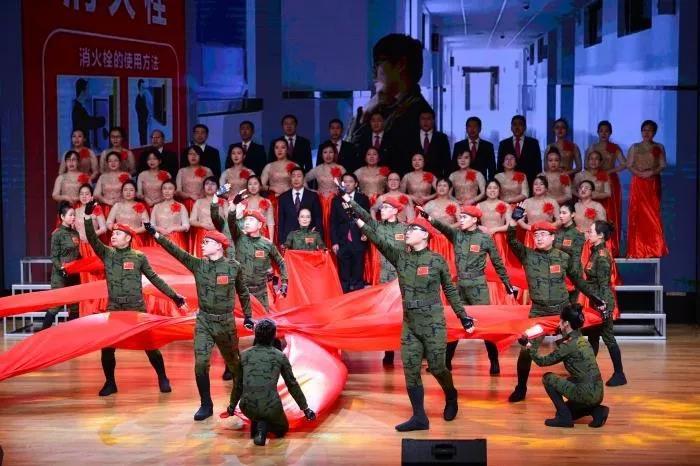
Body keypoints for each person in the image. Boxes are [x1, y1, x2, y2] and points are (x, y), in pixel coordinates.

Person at [350, 204, 475, 432]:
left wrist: (463, 316)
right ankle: (419, 417)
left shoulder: (437, 260)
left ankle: (451, 395)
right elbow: (379, 241)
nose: (407, 232)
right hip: (410, 323)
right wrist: (358, 221)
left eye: (413, 230)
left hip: (433, 322)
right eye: (407, 230)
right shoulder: (401, 258)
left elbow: (450, 290)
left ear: (425, 235)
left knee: (437, 367)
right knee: (410, 369)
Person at [146, 223, 253, 421]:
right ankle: (206, 404)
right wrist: (157, 235)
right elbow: (177, 252)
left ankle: (240, 400)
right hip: (204, 321)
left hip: (226, 322)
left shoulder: (233, 267)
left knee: (235, 365)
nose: (202, 245)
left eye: (207, 242)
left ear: (219, 245)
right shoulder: (198, 265)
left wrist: (248, 316)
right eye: (202, 242)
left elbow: (243, 292)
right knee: (201, 364)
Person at [83, 200, 186, 396]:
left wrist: (174, 296)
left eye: (118, 234)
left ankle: (163, 377)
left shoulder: (138, 257)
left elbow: (154, 278)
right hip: (114, 308)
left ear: (128, 238)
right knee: (107, 347)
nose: (113, 236)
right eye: (113, 233)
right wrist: (88, 217)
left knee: (150, 345)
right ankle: (110, 383)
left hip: (136, 308)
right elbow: (92, 238)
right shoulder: (107, 254)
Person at [506, 210, 605, 403]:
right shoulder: (527, 255)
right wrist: (513, 221)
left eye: (543, 234)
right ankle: (521, 387)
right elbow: (511, 240)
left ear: (553, 237)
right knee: (526, 349)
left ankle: (586, 382)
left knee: (579, 347)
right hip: (539, 313)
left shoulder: (563, 257)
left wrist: (595, 297)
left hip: (562, 313)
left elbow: (578, 281)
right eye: (536, 235)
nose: (539, 238)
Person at [419, 205, 514, 374]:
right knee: (455, 323)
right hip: (460, 286)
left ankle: (494, 361)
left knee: (486, 325)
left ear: (475, 219)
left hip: (478, 287)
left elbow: (498, 263)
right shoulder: (457, 235)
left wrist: (507, 284)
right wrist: (428, 217)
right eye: (460, 217)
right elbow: (442, 227)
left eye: (464, 217)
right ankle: (446, 363)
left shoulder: (484, 238)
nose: (460, 220)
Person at [351, 34, 433, 177]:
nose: (374, 72)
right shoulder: (385, 106)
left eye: (379, 63)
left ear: (400, 65)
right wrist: (365, 113)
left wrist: (365, 114)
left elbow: (356, 154)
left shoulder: (418, 113)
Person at [225, 318, 316, 446]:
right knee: (282, 430)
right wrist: (305, 409)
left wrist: (231, 407)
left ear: (256, 334)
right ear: (273, 336)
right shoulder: (280, 356)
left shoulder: (244, 355)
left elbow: (238, 385)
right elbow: (292, 384)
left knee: (256, 409)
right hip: (271, 406)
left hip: (247, 407)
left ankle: (257, 423)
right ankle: (263, 426)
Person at [519, 304, 609, 428]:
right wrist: (562, 332)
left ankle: (564, 418)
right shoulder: (583, 340)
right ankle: (597, 411)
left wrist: (528, 346)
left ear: (566, 323)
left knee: (548, 378)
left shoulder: (568, 346)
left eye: (560, 321)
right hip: (598, 391)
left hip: (586, 392)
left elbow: (542, 361)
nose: (558, 323)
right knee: (570, 403)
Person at [344, 195, 406, 365]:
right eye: (381, 208)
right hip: (385, 278)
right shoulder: (377, 227)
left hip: (403, 278)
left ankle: (416, 349)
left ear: (395, 211)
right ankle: (389, 351)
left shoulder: (405, 229)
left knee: (407, 315)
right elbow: (364, 214)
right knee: (387, 316)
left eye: (386, 208)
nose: (382, 210)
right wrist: (347, 198)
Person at [211, 195, 287, 313]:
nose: (247, 222)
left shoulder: (263, 241)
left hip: (259, 288)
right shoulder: (236, 232)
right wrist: (219, 200)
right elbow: (227, 221)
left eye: (250, 220)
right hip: (235, 277)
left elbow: (278, 260)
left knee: (263, 316)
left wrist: (284, 281)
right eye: (247, 220)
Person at [582, 221, 627, 386]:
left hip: (602, 302)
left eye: (591, 231)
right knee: (593, 337)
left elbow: (603, 285)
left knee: (608, 337)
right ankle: (587, 373)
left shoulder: (601, 256)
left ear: (600, 235)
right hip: (596, 301)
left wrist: (603, 307)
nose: (588, 233)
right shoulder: (595, 251)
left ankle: (619, 374)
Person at [626, 120, 668, 258]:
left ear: (654, 132)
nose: (646, 132)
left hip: (652, 182)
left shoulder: (659, 147)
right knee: (638, 214)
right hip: (638, 182)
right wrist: (640, 174)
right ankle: (637, 249)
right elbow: (629, 165)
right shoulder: (635, 147)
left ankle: (654, 248)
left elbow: (663, 164)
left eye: (649, 130)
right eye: (644, 130)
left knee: (652, 214)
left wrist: (651, 172)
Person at [586, 121, 626, 256]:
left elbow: (624, 164)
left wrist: (609, 171)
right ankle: (592, 244)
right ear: (597, 132)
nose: (603, 133)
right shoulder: (592, 147)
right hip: (594, 179)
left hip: (610, 180)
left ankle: (611, 246)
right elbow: (586, 165)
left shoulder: (614, 148)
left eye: (606, 131)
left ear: (610, 133)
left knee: (610, 212)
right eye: (601, 130)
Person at [42, 201, 81, 330]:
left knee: (75, 306)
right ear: (62, 217)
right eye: (70, 215)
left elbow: (77, 254)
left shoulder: (75, 233)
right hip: (60, 275)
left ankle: (71, 334)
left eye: (74, 215)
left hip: (74, 275)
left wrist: (85, 264)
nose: (73, 217)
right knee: (55, 306)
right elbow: (54, 257)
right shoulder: (57, 234)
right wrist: (62, 268)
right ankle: (42, 334)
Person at [330, 174, 370, 293]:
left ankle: (358, 296)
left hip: (359, 237)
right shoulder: (336, 200)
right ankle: (344, 295)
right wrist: (335, 242)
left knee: (358, 269)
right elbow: (333, 222)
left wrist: (366, 233)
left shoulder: (363, 199)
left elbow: (367, 218)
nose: (347, 184)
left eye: (350, 182)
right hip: (342, 239)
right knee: (344, 271)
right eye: (344, 182)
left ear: (356, 184)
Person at [277, 167, 323, 246]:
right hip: (289, 240)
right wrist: (282, 241)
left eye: (299, 176)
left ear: (304, 178)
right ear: (290, 178)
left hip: (308, 239)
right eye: (293, 176)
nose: (296, 179)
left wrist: (318, 240)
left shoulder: (313, 196)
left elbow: (318, 218)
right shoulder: (283, 197)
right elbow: (281, 220)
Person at [477, 179, 517, 269]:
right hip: (483, 238)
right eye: (489, 188)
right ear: (485, 190)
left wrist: (494, 230)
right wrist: (481, 228)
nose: (492, 190)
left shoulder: (506, 205)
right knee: (483, 266)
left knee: (499, 266)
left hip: (499, 239)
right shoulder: (479, 205)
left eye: (495, 188)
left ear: (499, 190)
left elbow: (510, 225)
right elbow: (473, 224)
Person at [497, 115, 542, 187]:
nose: (517, 127)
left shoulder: (533, 143)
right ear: (511, 128)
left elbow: (538, 166)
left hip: (530, 183)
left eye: (520, 124)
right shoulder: (503, 144)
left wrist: (537, 184)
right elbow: (499, 167)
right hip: (508, 185)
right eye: (514, 124)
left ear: (525, 127)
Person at [516, 175, 560, 248]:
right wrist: (530, 228)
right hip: (531, 235)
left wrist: (547, 228)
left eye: (541, 184)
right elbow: (519, 220)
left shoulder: (553, 202)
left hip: (547, 234)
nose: (538, 186)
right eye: (535, 184)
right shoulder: (526, 202)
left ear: (546, 188)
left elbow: (559, 220)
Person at [554, 201, 585, 304]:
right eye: (560, 213)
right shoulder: (557, 232)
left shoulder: (577, 234)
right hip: (557, 272)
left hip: (571, 273)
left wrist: (574, 278)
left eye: (564, 213)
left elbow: (576, 257)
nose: (560, 216)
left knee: (571, 304)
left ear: (572, 214)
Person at [105, 181, 150, 248]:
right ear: (122, 192)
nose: (128, 192)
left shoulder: (140, 206)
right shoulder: (117, 206)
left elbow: (146, 226)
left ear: (135, 192)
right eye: (125, 190)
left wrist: (133, 231)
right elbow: (108, 222)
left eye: (131, 190)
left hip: (135, 239)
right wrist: (114, 227)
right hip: (118, 239)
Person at [150, 180, 190, 250]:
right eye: (164, 188)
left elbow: (186, 226)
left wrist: (173, 228)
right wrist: (160, 229)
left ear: (174, 191)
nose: (167, 191)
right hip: (159, 238)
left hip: (176, 239)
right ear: (161, 191)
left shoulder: (181, 206)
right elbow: (151, 225)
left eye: (170, 188)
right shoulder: (156, 206)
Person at [189, 177, 223, 256]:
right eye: (207, 184)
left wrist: (218, 225)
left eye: (213, 184)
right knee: (202, 258)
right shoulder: (199, 202)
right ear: (203, 187)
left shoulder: (223, 202)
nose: (209, 186)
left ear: (217, 187)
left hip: (219, 233)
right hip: (202, 234)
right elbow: (191, 220)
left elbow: (228, 219)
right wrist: (203, 224)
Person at [176, 145, 213, 213]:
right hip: (186, 203)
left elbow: (213, 188)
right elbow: (178, 191)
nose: (193, 156)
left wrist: (202, 196)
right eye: (190, 154)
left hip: (204, 202)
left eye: (196, 154)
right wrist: (190, 196)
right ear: (187, 156)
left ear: (200, 156)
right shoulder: (181, 171)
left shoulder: (207, 170)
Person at [93, 152, 131, 218]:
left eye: (115, 160)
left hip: (123, 206)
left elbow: (132, 192)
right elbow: (96, 194)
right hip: (106, 207)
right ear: (107, 163)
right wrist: (107, 201)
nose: (113, 163)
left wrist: (121, 200)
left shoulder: (126, 175)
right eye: (110, 161)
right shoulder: (102, 177)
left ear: (120, 162)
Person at [416, 109, 451, 179]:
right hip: (415, 180)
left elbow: (447, 162)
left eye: (428, 119)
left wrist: (445, 180)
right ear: (419, 121)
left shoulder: (442, 138)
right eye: (423, 119)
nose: (425, 121)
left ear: (433, 121)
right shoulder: (411, 137)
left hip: (436, 179)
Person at [71, 78, 106, 148]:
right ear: (82, 92)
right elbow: (88, 122)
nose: (88, 92)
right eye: (87, 90)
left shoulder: (79, 106)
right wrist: (103, 120)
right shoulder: (77, 109)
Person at [135, 79, 152, 146]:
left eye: (144, 87)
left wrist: (148, 115)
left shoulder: (144, 96)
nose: (144, 88)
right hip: (142, 123)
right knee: (142, 139)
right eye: (142, 87)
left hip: (145, 122)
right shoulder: (138, 98)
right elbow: (138, 110)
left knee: (145, 139)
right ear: (139, 87)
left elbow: (147, 107)